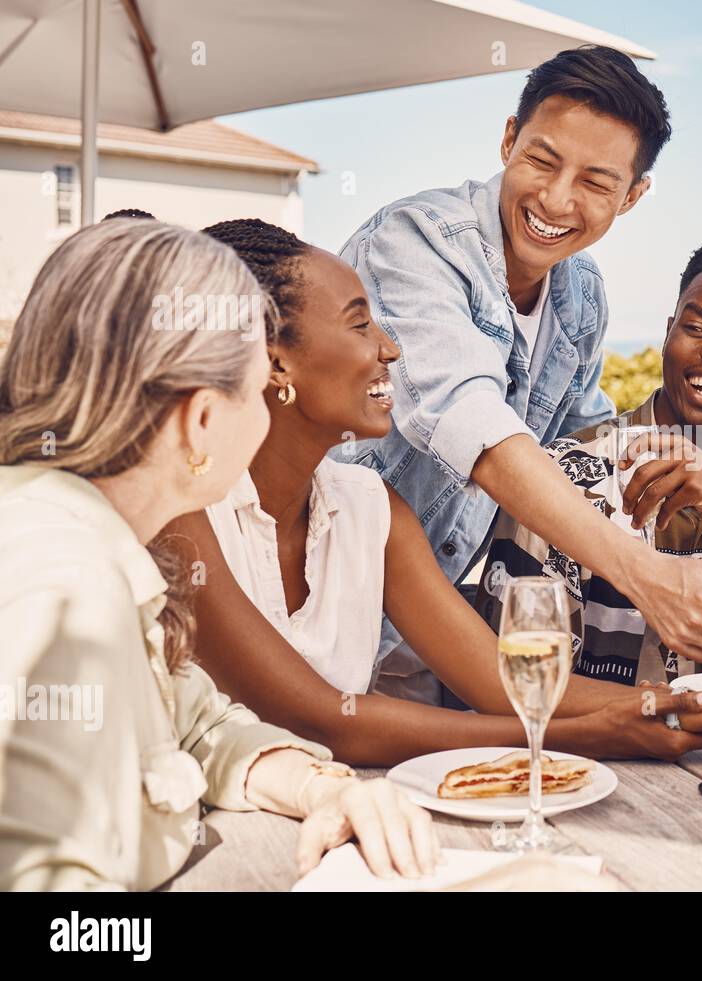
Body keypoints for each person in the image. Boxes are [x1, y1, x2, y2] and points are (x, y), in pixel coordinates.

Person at [165, 220, 702, 764]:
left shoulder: (371, 509)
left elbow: (498, 682)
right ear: (275, 357)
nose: (390, 349)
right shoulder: (182, 514)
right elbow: (319, 721)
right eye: (358, 323)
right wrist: (600, 732)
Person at [336, 45, 702, 706]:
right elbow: (476, 429)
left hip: (422, 637)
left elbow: (581, 444)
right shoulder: (416, 241)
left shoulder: (581, 295)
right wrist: (643, 574)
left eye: (596, 182)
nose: (556, 198)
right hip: (322, 604)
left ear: (632, 196)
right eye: (542, 160)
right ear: (509, 140)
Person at [0, 220, 435, 889]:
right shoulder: (65, 590)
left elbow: (197, 722)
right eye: (257, 384)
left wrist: (325, 788)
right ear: (202, 421)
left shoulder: (87, 547)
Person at [477, 236, 702, 689]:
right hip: (594, 752)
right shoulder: (565, 471)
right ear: (668, 332)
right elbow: (522, 678)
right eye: (698, 328)